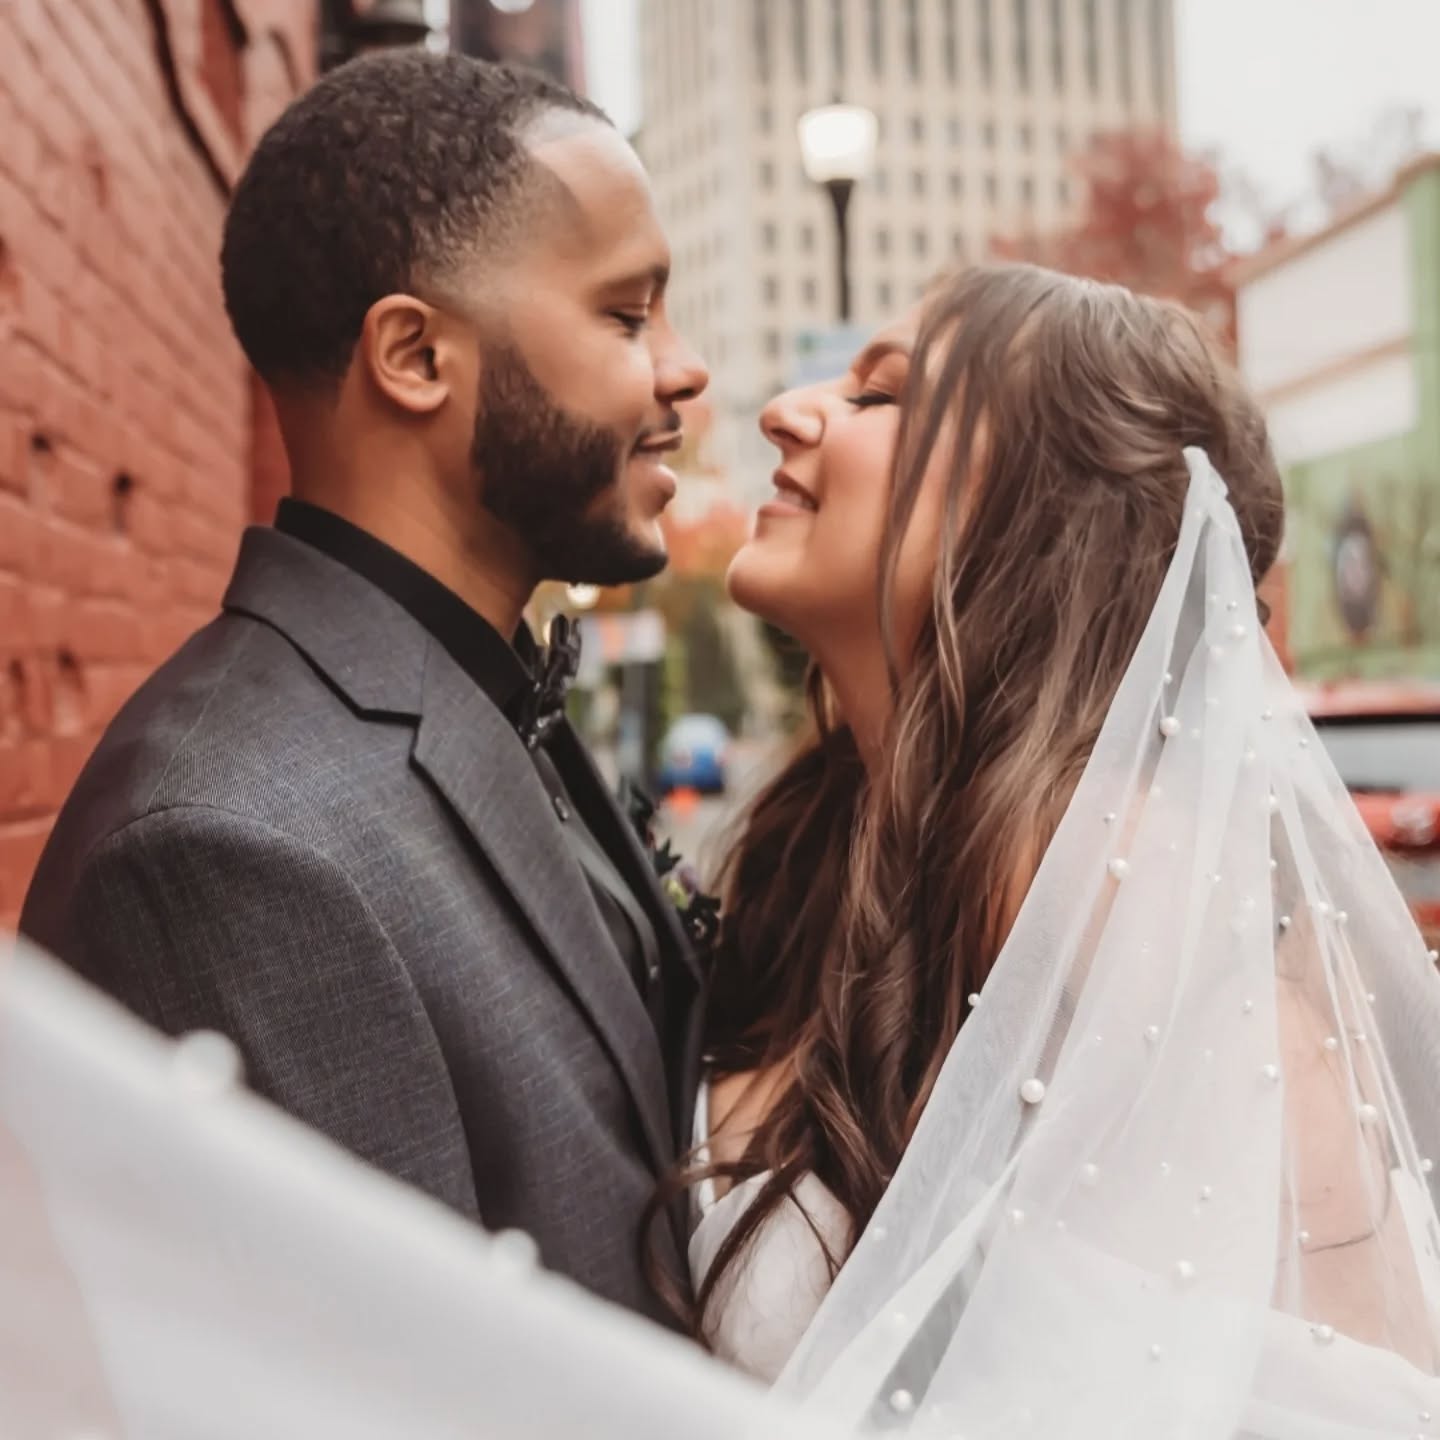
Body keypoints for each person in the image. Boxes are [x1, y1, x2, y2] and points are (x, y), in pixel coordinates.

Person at [675, 264, 1440, 1428]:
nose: (788, 411)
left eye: (880, 396)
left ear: (1041, 518)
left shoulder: (1131, 903)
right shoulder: (818, 856)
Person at [20, 50, 708, 1327]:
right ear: (415, 355)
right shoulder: (226, 846)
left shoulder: (480, 688)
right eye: (627, 316)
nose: (684, 370)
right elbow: (393, 1384)